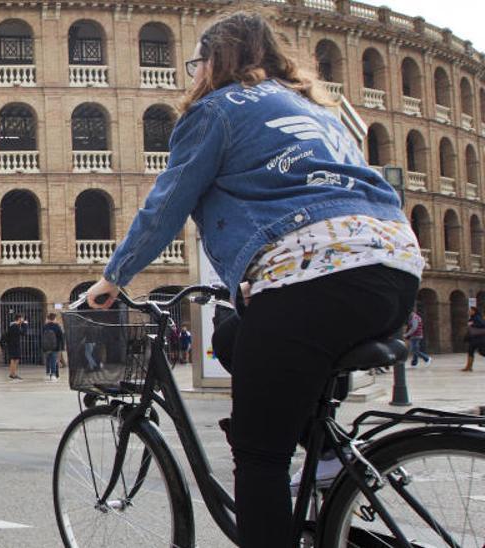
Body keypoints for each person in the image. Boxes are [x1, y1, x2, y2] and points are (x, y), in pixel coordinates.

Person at [82, 11, 423, 548]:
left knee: (259, 454)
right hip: (395, 270)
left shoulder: (215, 109)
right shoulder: (316, 108)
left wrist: (113, 277)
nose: (193, 74)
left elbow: (167, 203)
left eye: (196, 63)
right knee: (234, 335)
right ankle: (329, 456)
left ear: (215, 60)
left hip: (316, 277)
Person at [41, 312, 65, 383]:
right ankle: (53, 375)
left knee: (48, 360)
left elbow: (42, 337)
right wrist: (62, 346)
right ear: (54, 318)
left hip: (46, 347)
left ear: (48, 318)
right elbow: (61, 337)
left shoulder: (45, 326)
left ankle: (48, 373)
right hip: (55, 346)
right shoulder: (57, 326)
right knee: (54, 361)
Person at [4, 314, 27, 381]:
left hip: (12, 345)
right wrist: (25, 324)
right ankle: (12, 374)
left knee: (15, 359)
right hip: (14, 345)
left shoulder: (12, 325)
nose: (23, 320)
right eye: (22, 319)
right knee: (14, 359)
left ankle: (13, 373)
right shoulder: (15, 326)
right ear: (19, 319)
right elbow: (23, 333)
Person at [463, 307, 485, 372]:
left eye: (470, 310)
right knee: (471, 351)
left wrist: (473, 324)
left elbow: (482, 324)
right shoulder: (473, 318)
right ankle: (468, 367)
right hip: (474, 338)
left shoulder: (477, 317)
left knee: (481, 352)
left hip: (479, 338)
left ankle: (468, 367)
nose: (469, 312)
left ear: (474, 311)